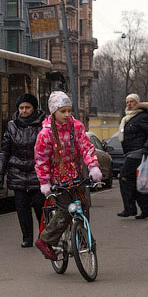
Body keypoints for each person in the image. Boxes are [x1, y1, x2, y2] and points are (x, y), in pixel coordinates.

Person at [33, 91, 104, 260]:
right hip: (57, 180)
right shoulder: (45, 134)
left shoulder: (77, 127)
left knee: (83, 206)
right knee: (65, 210)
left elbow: (86, 148)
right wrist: (45, 183)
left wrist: (93, 167)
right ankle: (45, 240)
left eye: (69, 110)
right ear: (53, 112)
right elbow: (41, 160)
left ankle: (83, 240)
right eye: (62, 111)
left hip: (76, 175)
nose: (67, 115)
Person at [0, 93, 45, 248]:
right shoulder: (12, 126)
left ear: (34, 108)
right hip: (17, 171)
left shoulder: (43, 124)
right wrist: (0, 172)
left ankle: (44, 236)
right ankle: (27, 238)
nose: (24, 110)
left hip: (37, 172)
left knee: (39, 205)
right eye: (21, 108)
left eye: (27, 107)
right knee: (22, 208)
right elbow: (5, 150)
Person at [115, 94, 148, 220]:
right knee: (137, 181)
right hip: (130, 152)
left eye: (132, 102)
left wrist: (146, 147)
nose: (129, 104)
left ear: (138, 103)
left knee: (124, 177)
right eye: (127, 102)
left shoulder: (142, 117)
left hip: (138, 152)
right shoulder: (127, 119)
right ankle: (146, 209)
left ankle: (130, 208)